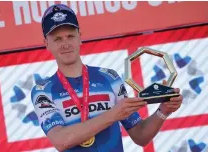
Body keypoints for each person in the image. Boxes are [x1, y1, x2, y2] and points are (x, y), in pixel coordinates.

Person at [31, 4, 183, 152]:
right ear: (47, 44)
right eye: (57, 39)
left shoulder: (109, 78)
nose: (65, 44)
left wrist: (163, 111)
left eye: (70, 36)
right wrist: (113, 114)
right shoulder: (43, 91)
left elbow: (140, 136)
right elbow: (61, 140)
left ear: (80, 37)